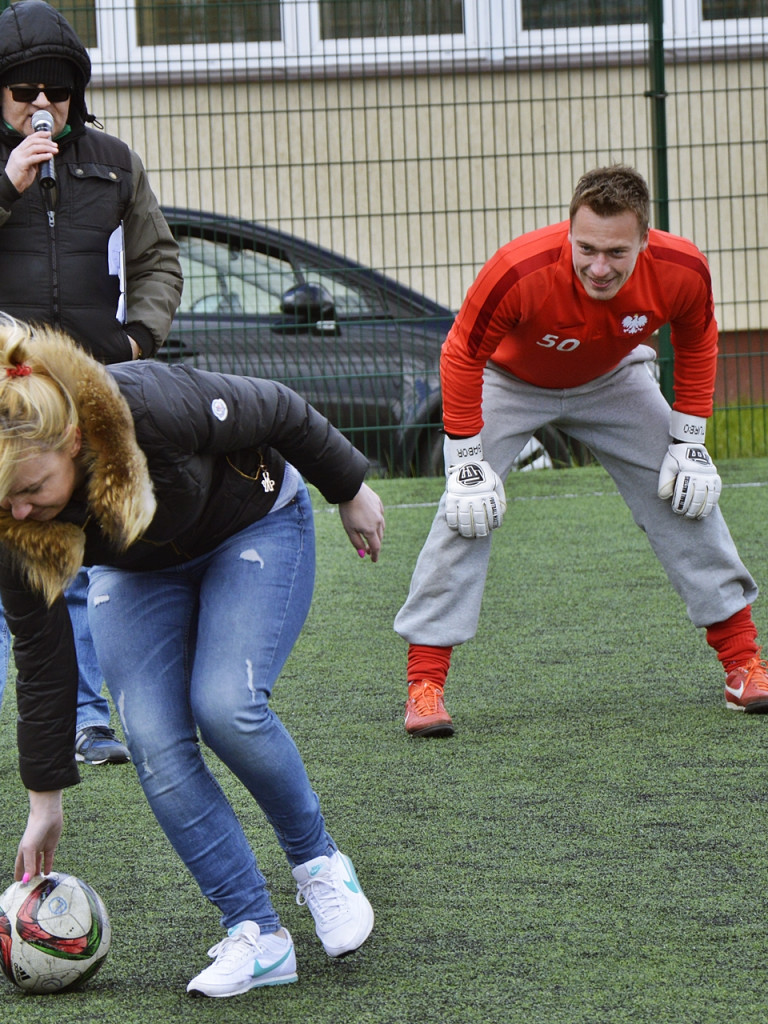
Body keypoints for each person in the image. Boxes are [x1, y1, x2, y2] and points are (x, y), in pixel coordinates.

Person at [0, 316, 384, 996]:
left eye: (32, 491)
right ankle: (256, 933)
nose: (22, 512)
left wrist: (348, 488)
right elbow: (42, 651)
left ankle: (320, 864)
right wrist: (45, 797)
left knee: (226, 704)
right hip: (140, 571)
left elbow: (279, 406)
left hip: (251, 522)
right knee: (152, 735)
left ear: (75, 440)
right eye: (8, 499)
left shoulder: (149, 403)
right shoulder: (14, 521)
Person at [395, 163, 767, 737]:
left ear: (645, 240)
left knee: (685, 493)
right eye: (586, 248)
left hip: (614, 377)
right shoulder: (518, 269)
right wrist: (466, 459)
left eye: (616, 253)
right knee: (466, 511)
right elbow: (462, 353)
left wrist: (689, 439)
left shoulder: (683, 269)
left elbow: (698, 339)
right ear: (570, 231)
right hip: (509, 382)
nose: (598, 266)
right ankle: (425, 684)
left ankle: (742, 662)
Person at [0, 0, 183, 764]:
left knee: (68, 543)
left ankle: (84, 716)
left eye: (58, 90)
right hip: (4, 397)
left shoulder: (113, 162)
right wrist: (7, 186)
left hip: (85, 389)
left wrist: (135, 341)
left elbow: (158, 261)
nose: (42, 105)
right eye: (23, 92)